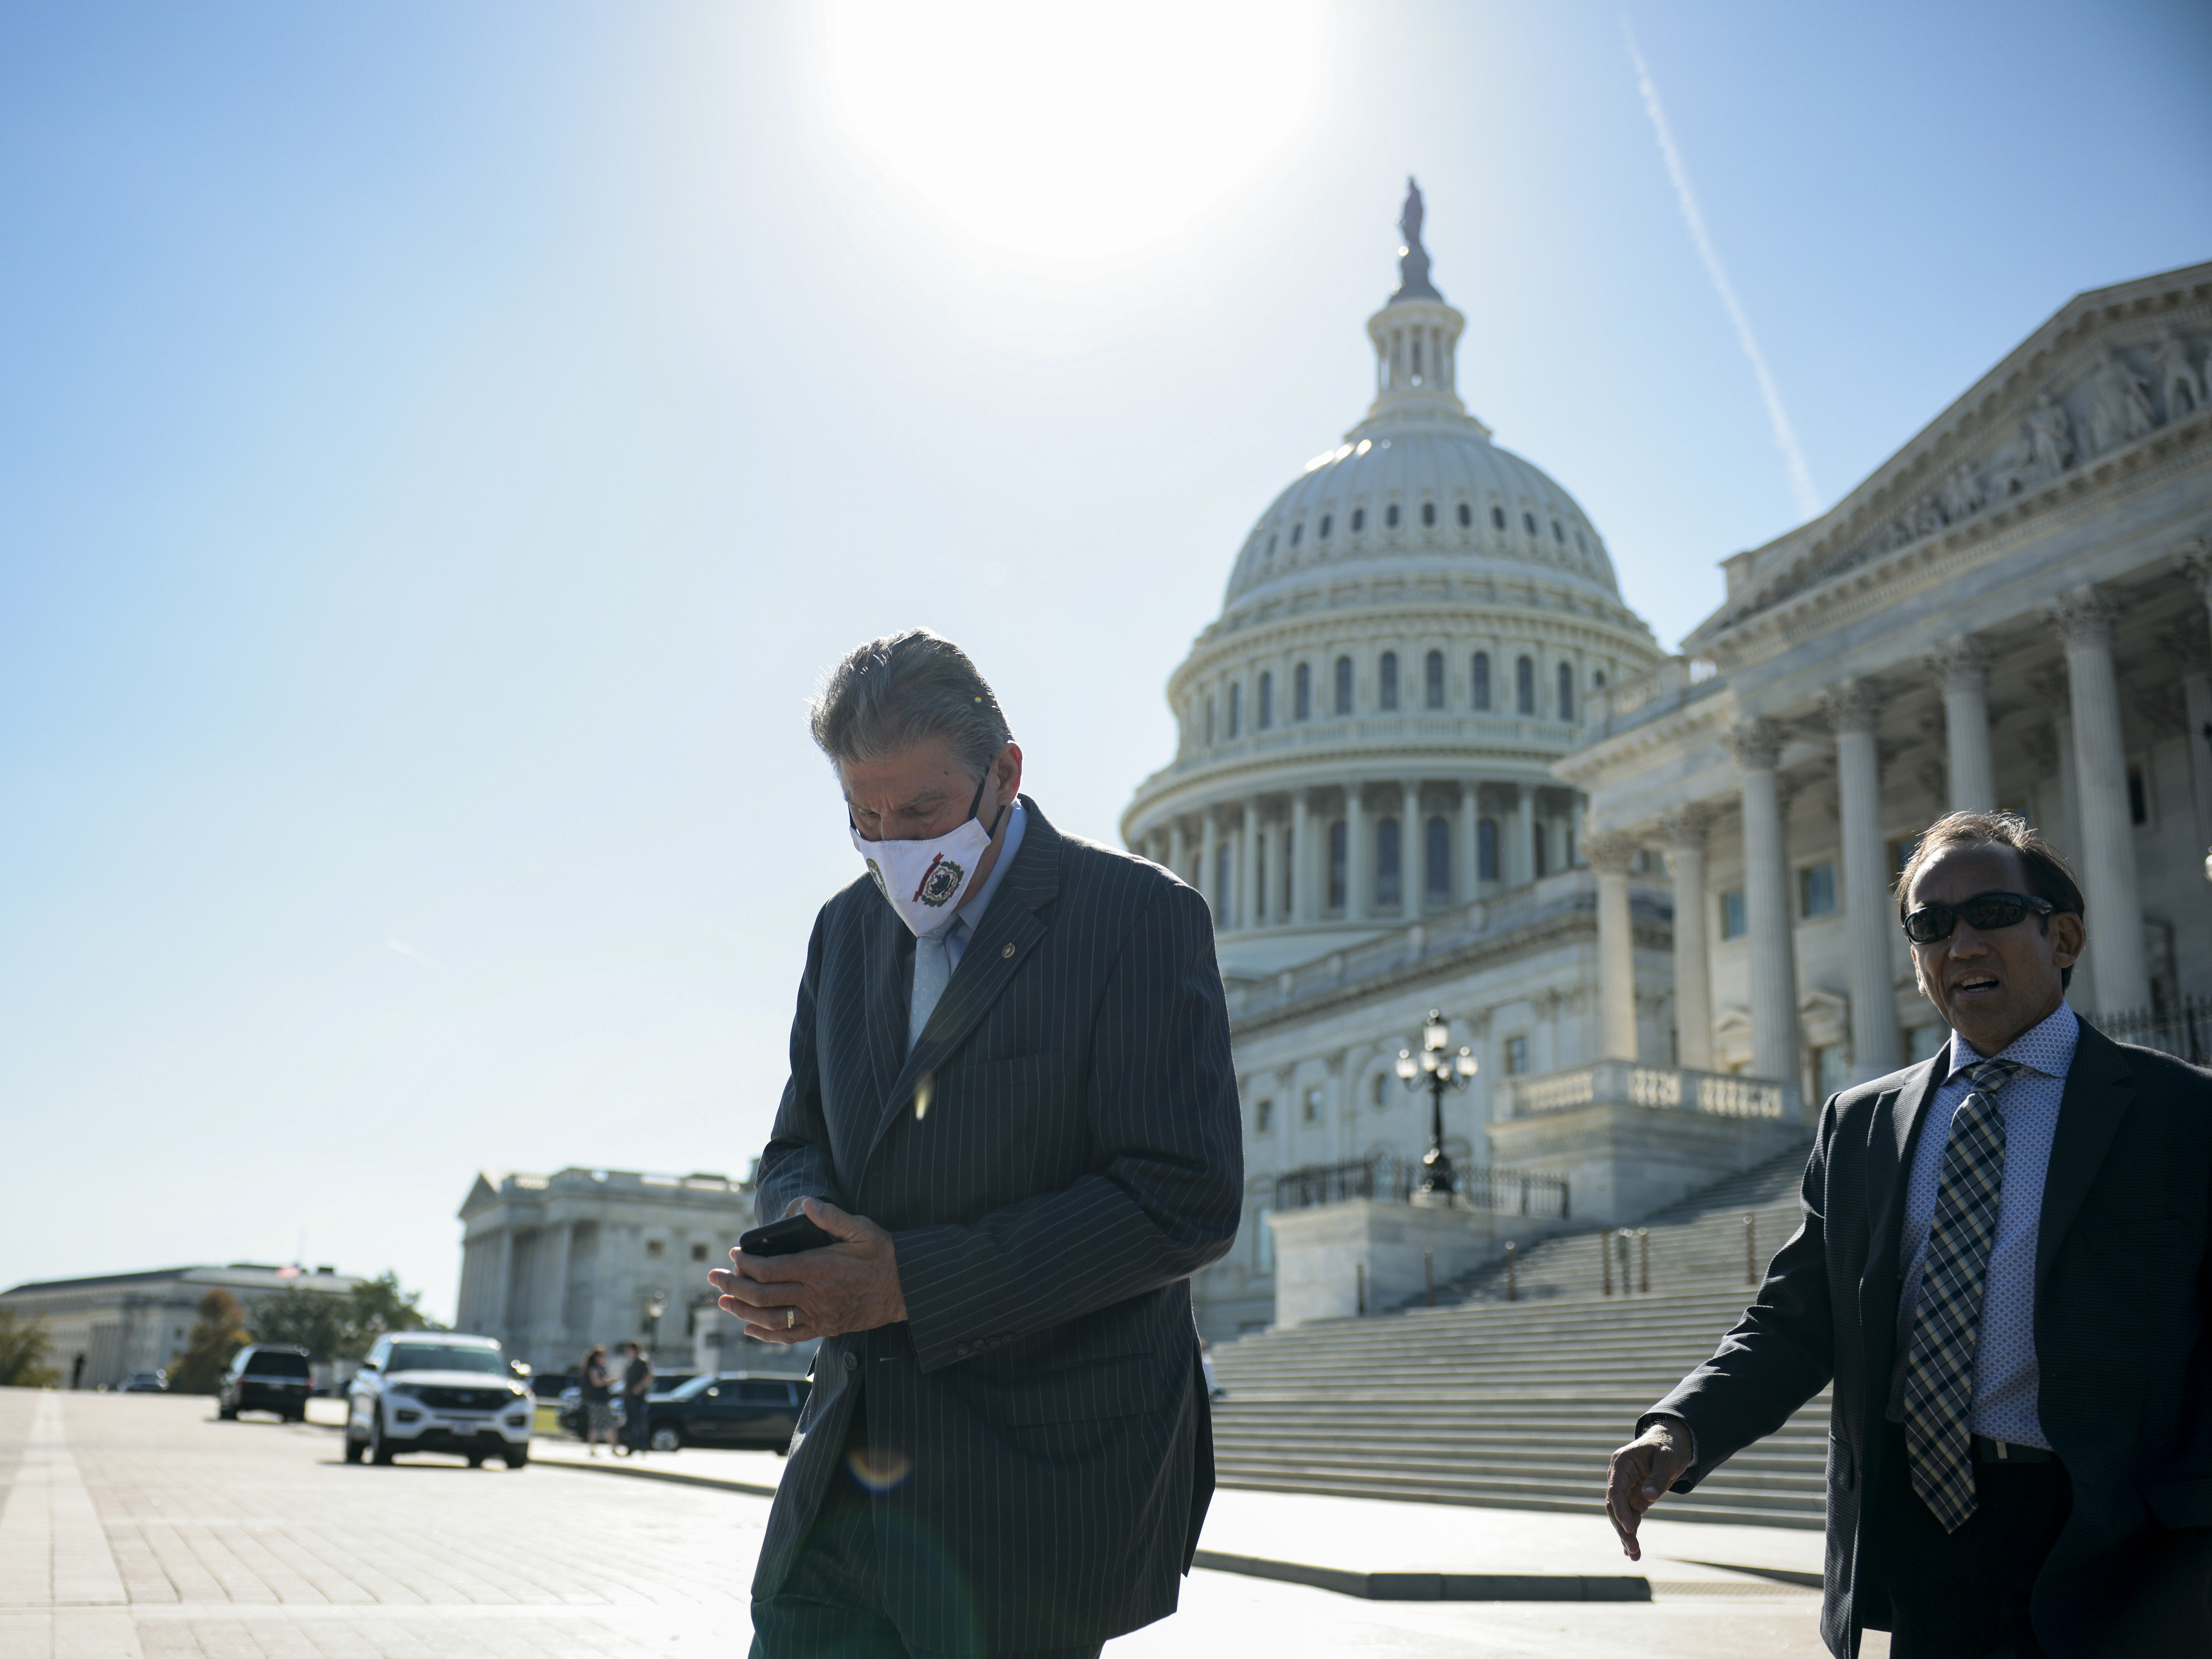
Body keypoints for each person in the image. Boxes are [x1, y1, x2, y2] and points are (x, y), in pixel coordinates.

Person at [711, 629, 1242, 1659]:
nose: (893, 845)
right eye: (864, 816)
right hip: (844, 1475)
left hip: (1028, 1491)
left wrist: (906, 1280)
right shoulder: (843, 928)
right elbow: (797, 1137)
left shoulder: (1136, 916)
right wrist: (801, 1237)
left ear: (1005, 772)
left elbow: (1183, 1195)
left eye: (921, 811)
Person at [1605, 810, 2212, 1658]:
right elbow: (1794, 1321)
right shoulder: (1860, 1125)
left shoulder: (2181, 1116)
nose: (1959, 944)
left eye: (1992, 914)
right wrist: (1678, 1427)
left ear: (2064, 936)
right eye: (1929, 926)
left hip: (2117, 1547)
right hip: (1923, 1536)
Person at [617, 1341, 653, 1457]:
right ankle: (631, 1447)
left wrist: (639, 1387)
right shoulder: (631, 1363)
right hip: (629, 1396)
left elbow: (649, 1376)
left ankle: (643, 1447)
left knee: (639, 1423)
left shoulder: (642, 1362)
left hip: (637, 1397)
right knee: (630, 1423)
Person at [580, 1345, 614, 1457]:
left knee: (607, 1424)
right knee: (596, 1425)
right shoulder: (594, 1368)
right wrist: (608, 1381)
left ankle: (612, 1447)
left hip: (603, 1400)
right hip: (596, 1401)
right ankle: (593, 1449)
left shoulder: (602, 1368)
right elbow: (597, 1383)